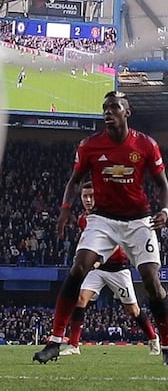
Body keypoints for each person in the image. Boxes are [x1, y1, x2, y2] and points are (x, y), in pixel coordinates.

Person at [33, 91, 168, 364]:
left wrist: (165, 210)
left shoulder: (145, 145)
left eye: (114, 108)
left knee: (153, 284)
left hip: (138, 221)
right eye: (105, 108)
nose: (108, 112)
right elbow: (74, 181)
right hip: (103, 219)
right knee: (77, 269)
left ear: (126, 112)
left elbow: (162, 184)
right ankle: (55, 341)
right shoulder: (90, 145)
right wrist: (65, 210)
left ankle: (164, 344)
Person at [60, 181, 159, 356]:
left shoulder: (112, 216)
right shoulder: (84, 219)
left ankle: (153, 337)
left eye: (92, 196)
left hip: (118, 270)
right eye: (85, 196)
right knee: (81, 299)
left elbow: (116, 242)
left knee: (133, 310)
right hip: (97, 270)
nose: (89, 200)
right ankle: (74, 345)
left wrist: (98, 259)